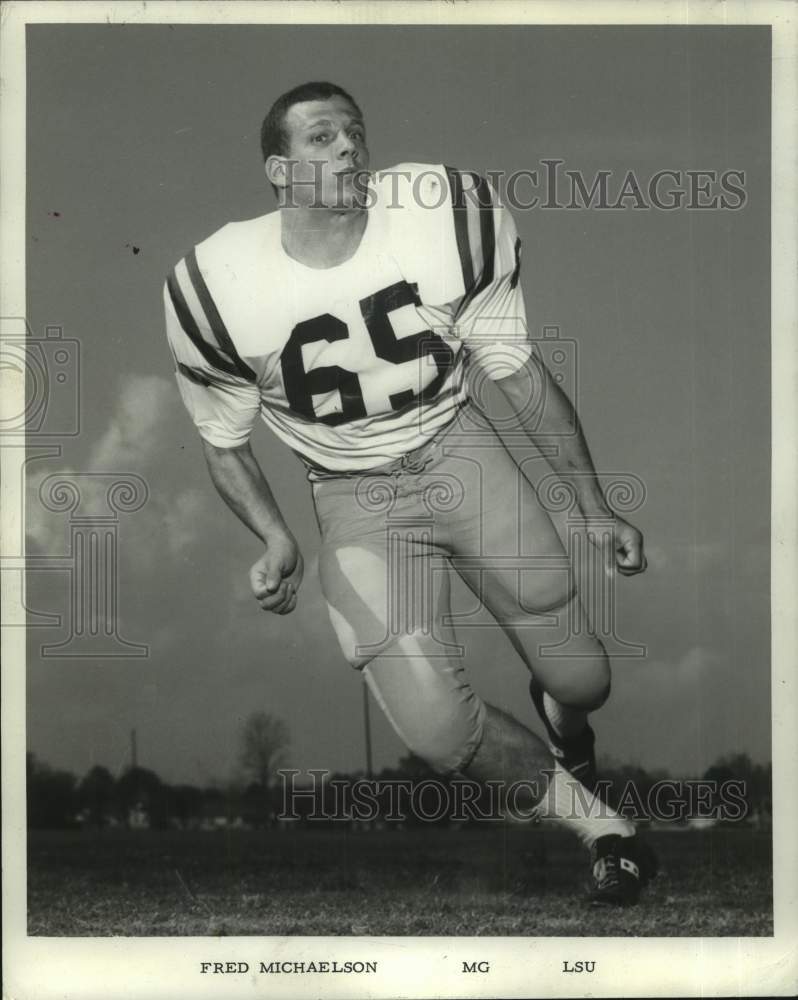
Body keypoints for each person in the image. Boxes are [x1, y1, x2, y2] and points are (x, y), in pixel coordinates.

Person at [163, 81, 656, 904]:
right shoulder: (212, 284)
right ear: (278, 171)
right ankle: (606, 830)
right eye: (322, 139)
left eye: (354, 132)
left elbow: (518, 374)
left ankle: (569, 729)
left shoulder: (445, 216)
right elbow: (225, 442)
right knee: (436, 730)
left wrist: (594, 505)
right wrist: (274, 538)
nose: (349, 147)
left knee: (582, 682)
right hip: (353, 498)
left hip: (461, 451)